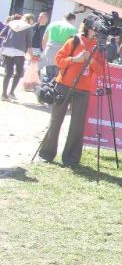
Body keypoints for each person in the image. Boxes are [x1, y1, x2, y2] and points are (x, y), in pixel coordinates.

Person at [38, 16, 105, 167]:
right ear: (88, 27)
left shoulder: (99, 47)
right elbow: (58, 60)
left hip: (84, 90)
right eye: (95, 28)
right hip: (64, 85)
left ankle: (71, 158)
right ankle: (47, 153)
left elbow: (102, 71)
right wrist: (75, 59)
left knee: (77, 125)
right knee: (55, 121)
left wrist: (91, 61)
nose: (97, 31)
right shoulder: (74, 40)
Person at [1, 13, 34, 100]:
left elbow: (2, 34)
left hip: (7, 49)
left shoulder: (12, 23)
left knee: (8, 73)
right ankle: (11, 92)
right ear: (30, 20)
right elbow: (29, 43)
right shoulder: (28, 27)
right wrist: (31, 55)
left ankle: (4, 94)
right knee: (19, 73)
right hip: (19, 51)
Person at [42, 12, 78, 78]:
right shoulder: (73, 29)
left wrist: (45, 51)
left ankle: (44, 86)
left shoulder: (52, 24)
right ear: (72, 20)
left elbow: (44, 39)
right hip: (61, 54)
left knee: (48, 74)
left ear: (64, 17)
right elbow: (73, 45)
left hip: (49, 50)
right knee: (57, 76)